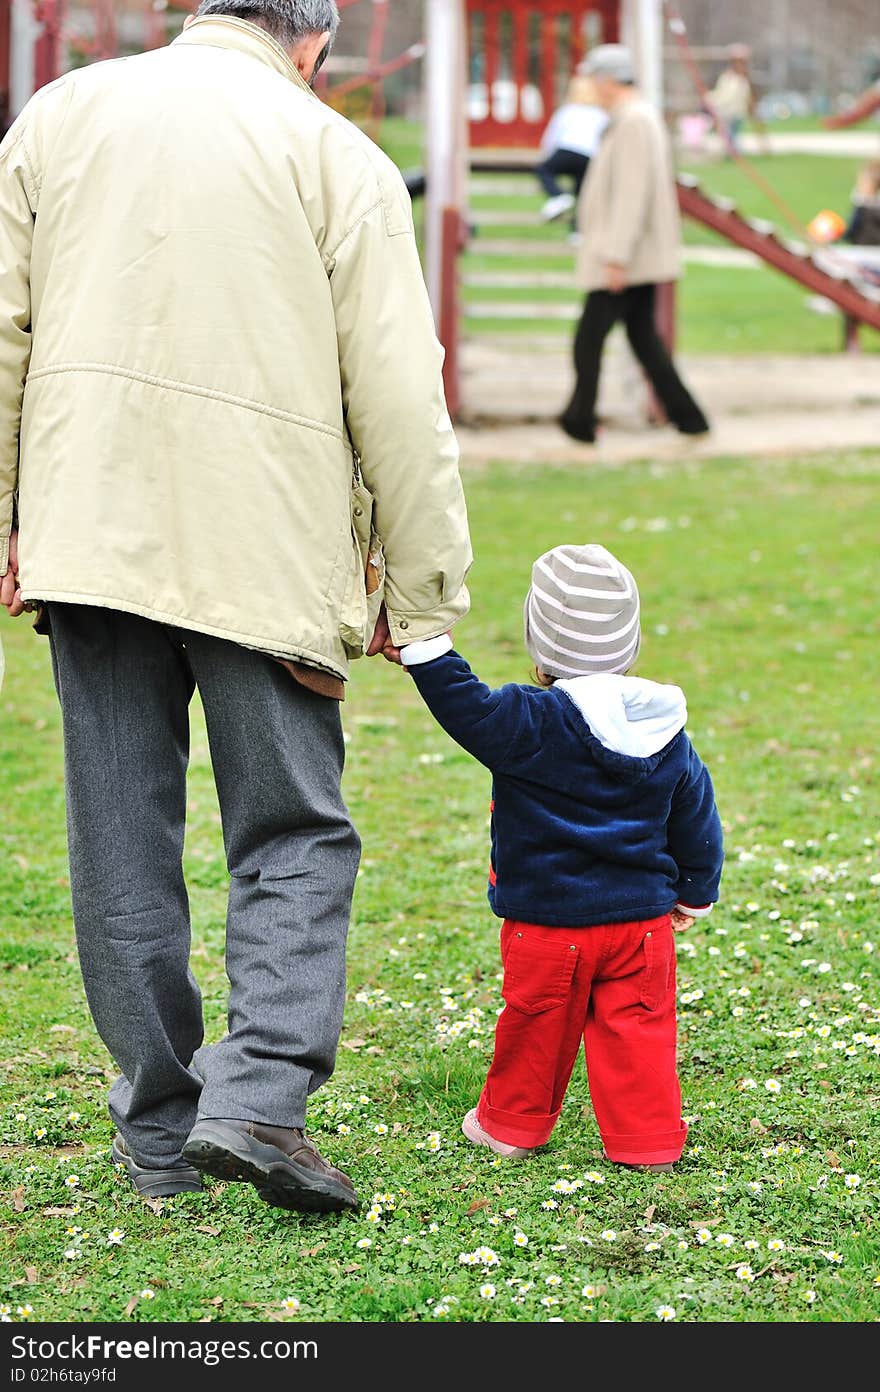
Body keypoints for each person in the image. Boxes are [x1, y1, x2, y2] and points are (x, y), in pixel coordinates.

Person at [0, 0, 472, 1213]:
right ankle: (257, 1097)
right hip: (268, 540)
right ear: (312, 38)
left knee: (120, 834)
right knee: (293, 828)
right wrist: (421, 591)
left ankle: (160, 1129)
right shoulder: (336, 157)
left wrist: (8, 520)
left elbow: (5, 335)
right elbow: (400, 397)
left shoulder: (57, 117)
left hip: (89, 531)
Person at [393, 543, 724, 1169]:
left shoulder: (528, 721)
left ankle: (511, 1127)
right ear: (628, 646)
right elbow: (696, 815)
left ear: (540, 649)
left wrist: (424, 647)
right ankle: (646, 1142)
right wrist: (694, 889)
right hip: (641, 926)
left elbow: (464, 705)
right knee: (640, 1033)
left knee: (535, 1029)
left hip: (547, 927)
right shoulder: (663, 728)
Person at [559, 44, 710, 445]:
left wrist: (616, 256)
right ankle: (690, 418)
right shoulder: (630, 119)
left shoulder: (634, 122)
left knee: (589, 339)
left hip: (627, 257)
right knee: (643, 340)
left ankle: (579, 420)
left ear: (608, 80)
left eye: (593, 77)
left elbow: (632, 193)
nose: (589, 85)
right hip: (631, 256)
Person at [535, 70, 608, 229]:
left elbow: (553, 134)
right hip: (589, 156)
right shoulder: (600, 114)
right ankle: (577, 230)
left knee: (544, 170)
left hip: (566, 150)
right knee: (582, 192)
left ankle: (558, 195)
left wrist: (546, 153)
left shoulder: (567, 111)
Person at [707, 44, 757, 157]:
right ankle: (732, 153)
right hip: (729, 111)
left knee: (732, 134)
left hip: (734, 112)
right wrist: (710, 98)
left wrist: (712, 100)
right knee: (730, 134)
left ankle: (735, 154)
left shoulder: (739, 80)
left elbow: (728, 97)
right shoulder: (728, 78)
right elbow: (722, 95)